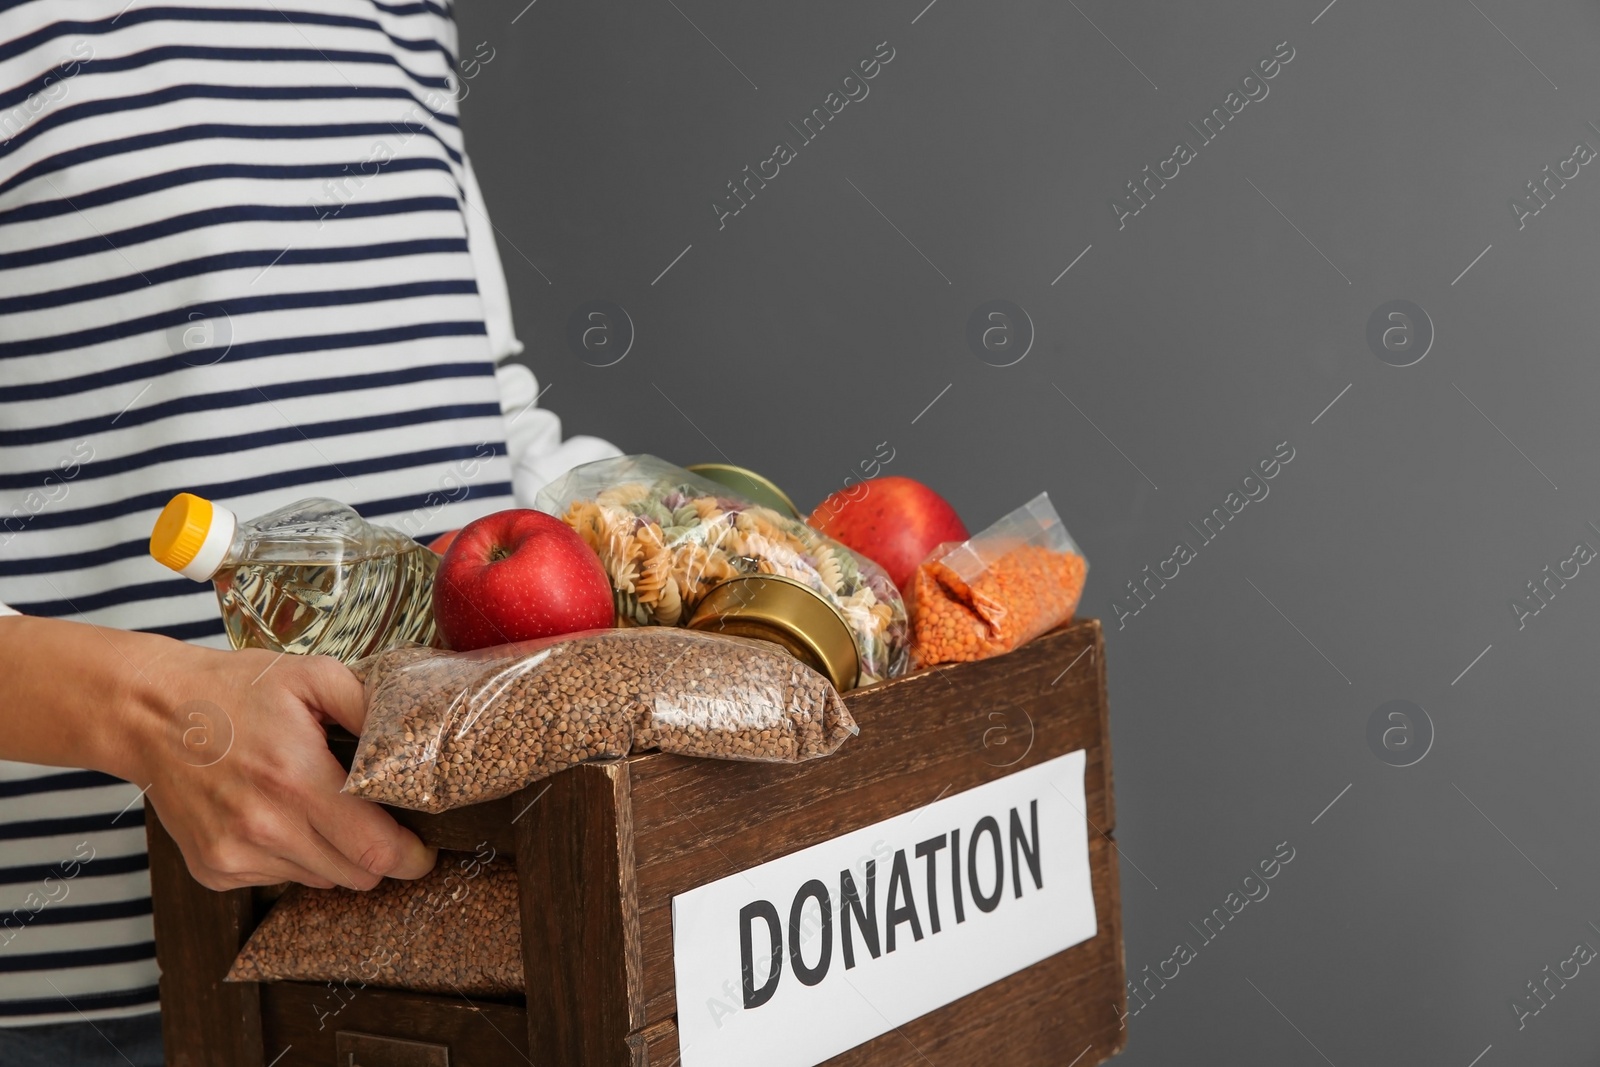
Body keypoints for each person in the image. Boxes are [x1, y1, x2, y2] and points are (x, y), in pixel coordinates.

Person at [0, 3, 560, 1062]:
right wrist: (156, 717)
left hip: (460, 955)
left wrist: (684, 539)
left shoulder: (399, 18)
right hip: (109, 1007)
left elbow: (484, 409)